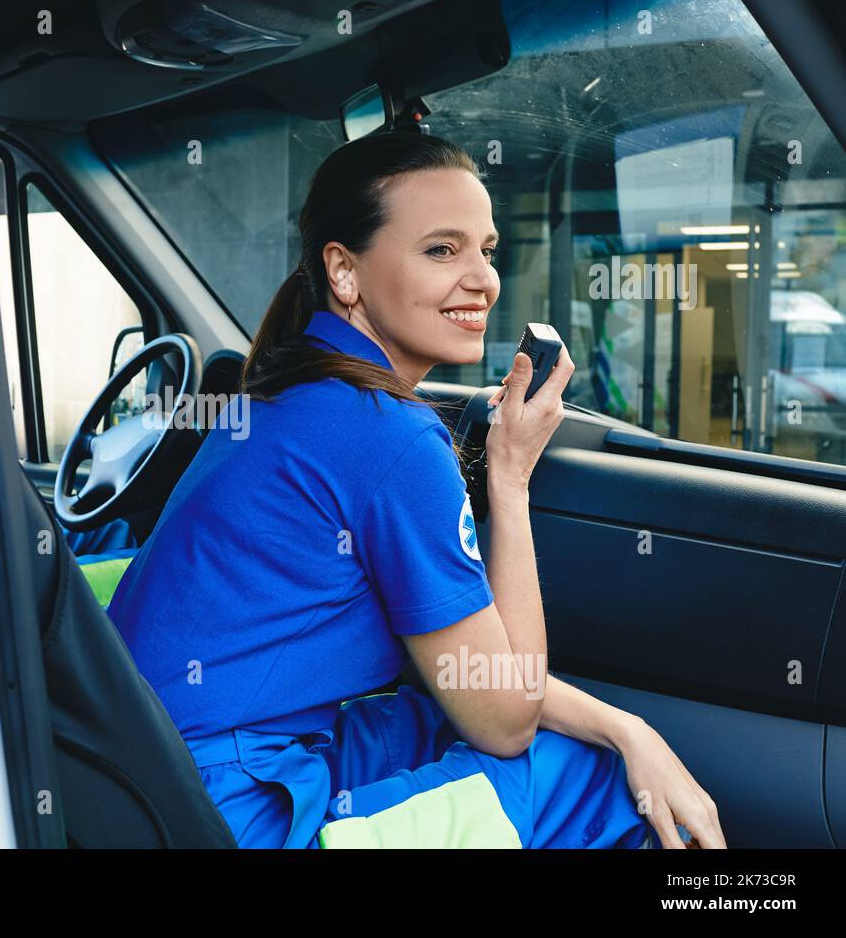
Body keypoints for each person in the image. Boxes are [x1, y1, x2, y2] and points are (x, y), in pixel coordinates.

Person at [105, 130, 726, 849]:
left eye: (486, 250)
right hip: (232, 816)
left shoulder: (288, 396)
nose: (483, 279)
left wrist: (627, 726)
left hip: (156, 783)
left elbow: (459, 673)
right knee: (592, 784)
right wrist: (511, 478)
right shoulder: (388, 436)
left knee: (437, 718)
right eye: (442, 250)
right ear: (345, 271)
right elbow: (506, 720)